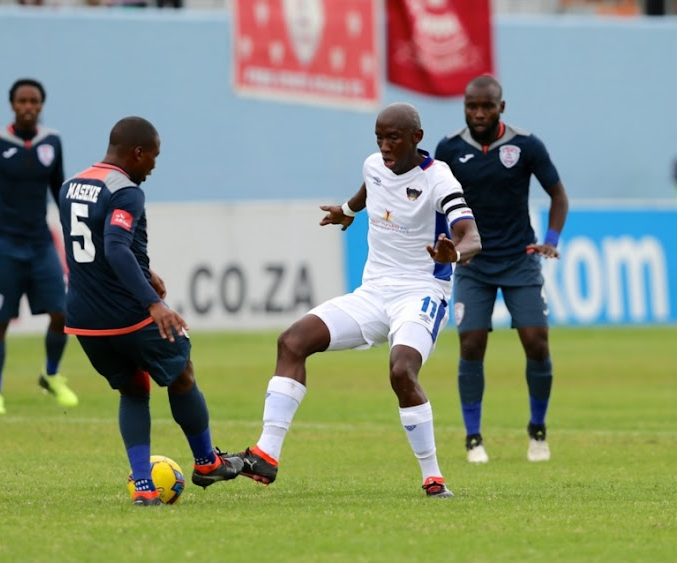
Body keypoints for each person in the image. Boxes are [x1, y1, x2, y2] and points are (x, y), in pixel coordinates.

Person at [227, 103, 481, 498]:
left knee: (401, 372)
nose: (384, 146)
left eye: (393, 137)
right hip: (372, 293)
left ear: (417, 137)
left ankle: (433, 477)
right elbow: (370, 189)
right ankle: (266, 455)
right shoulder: (374, 165)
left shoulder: (439, 180)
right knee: (292, 341)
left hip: (420, 293)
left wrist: (456, 253)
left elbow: (472, 236)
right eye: (379, 138)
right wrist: (347, 211)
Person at [58, 116, 242, 506]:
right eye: (153, 158)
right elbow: (115, 246)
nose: (153, 167)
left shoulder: (71, 185)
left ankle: (143, 487)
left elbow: (91, 244)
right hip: (128, 314)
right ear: (137, 153)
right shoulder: (126, 192)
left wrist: (146, 272)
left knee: (133, 388)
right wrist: (153, 303)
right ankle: (207, 462)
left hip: (83, 320)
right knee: (182, 371)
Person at [434, 74, 569, 464]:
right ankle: (473, 438)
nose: (478, 113)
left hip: (520, 260)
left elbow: (558, 195)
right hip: (474, 264)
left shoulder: (526, 145)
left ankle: (537, 431)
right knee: (472, 345)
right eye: (471, 106)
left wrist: (552, 239)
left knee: (536, 342)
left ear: (501, 107)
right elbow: (435, 200)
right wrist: (446, 245)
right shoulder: (449, 148)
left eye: (486, 106)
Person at [0, 78, 78, 415]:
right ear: (12, 104)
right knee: (0, 320)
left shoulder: (51, 142)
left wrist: (72, 227)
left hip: (40, 243)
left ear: (42, 105)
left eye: (34, 101)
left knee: (62, 313)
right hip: (4, 245)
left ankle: (52, 377)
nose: (28, 107)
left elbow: (58, 188)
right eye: (22, 101)